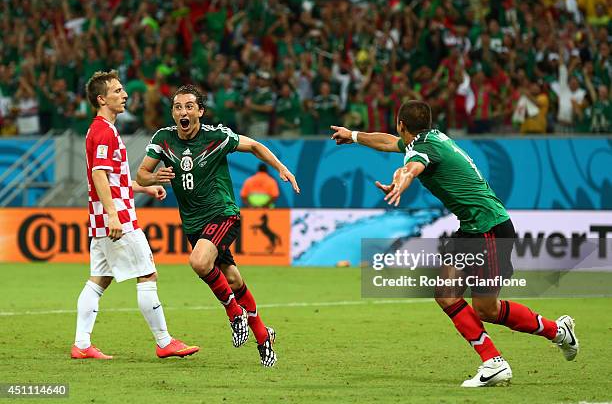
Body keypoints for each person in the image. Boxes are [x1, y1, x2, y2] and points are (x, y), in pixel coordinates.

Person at [330, 100, 579, 387]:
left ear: (401, 124)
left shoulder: (423, 149)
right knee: (447, 294)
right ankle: (499, 358)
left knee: (487, 309)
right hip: (475, 228)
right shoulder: (431, 138)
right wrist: (354, 136)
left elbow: (412, 167)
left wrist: (401, 181)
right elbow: (390, 144)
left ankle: (554, 333)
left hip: (488, 230)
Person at [136, 84, 300, 367]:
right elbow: (141, 173)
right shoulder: (163, 139)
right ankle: (263, 336)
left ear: (200, 111)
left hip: (222, 214)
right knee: (233, 279)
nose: (183, 111)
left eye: (189, 106)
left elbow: (255, 146)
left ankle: (234, 313)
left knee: (199, 262)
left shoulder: (217, 136)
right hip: (193, 223)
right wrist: (154, 178)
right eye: (177, 107)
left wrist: (281, 168)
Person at [72, 70, 199, 360]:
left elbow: (113, 179)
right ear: (102, 99)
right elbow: (100, 176)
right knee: (148, 273)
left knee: (98, 279)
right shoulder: (103, 130)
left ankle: (81, 345)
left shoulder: (101, 129)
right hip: (118, 219)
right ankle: (164, 341)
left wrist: (145, 187)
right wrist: (114, 215)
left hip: (103, 217)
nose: (124, 95)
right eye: (117, 91)